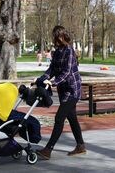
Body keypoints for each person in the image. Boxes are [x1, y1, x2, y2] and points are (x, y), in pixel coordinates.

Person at [34, 25, 86, 160]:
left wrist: (53, 82)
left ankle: (48, 149)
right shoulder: (57, 51)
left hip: (73, 89)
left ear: (63, 36)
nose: (56, 39)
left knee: (59, 119)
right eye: (55, 37)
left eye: (58, 37)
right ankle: (80, 146)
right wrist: (41, 79)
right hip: (63, 90)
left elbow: (66, 72)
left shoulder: (69, 51)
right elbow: (51, 69)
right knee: (72, 118)